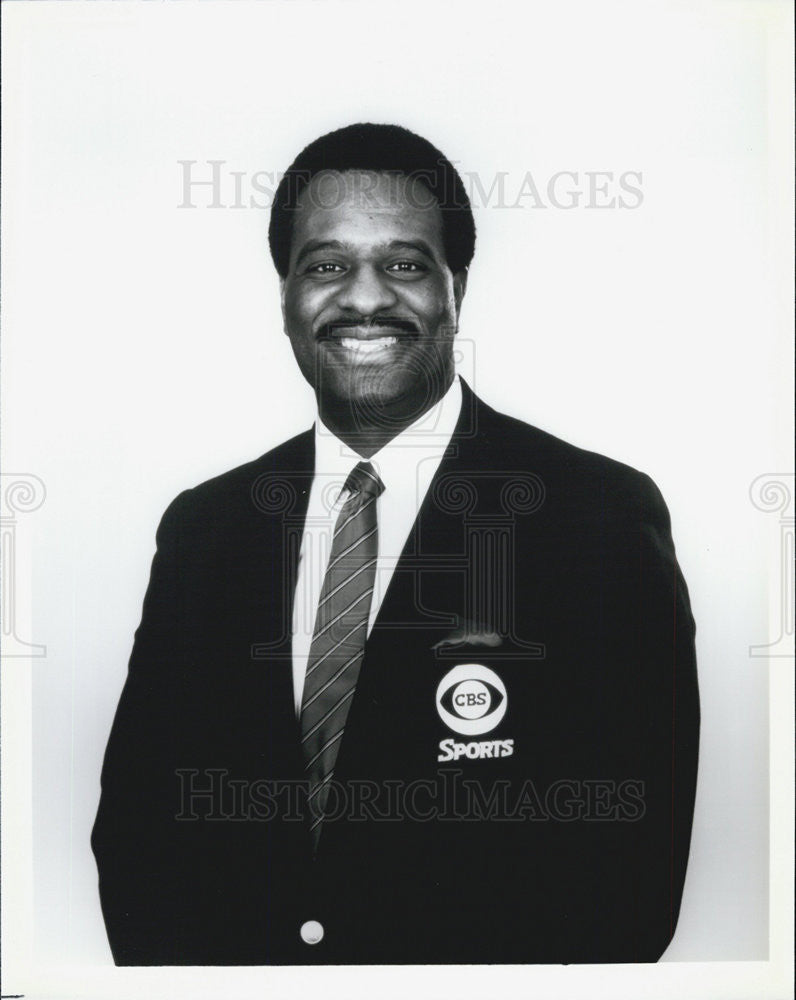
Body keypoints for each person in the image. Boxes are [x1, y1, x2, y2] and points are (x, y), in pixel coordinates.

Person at [91, 123, 700, 965]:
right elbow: (136, 836)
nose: (366, 298)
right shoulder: (205, 531)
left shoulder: (595, 520)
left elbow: (630, 879)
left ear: (459, 288)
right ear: (286, 295)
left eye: (405, 264)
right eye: (327, 264)